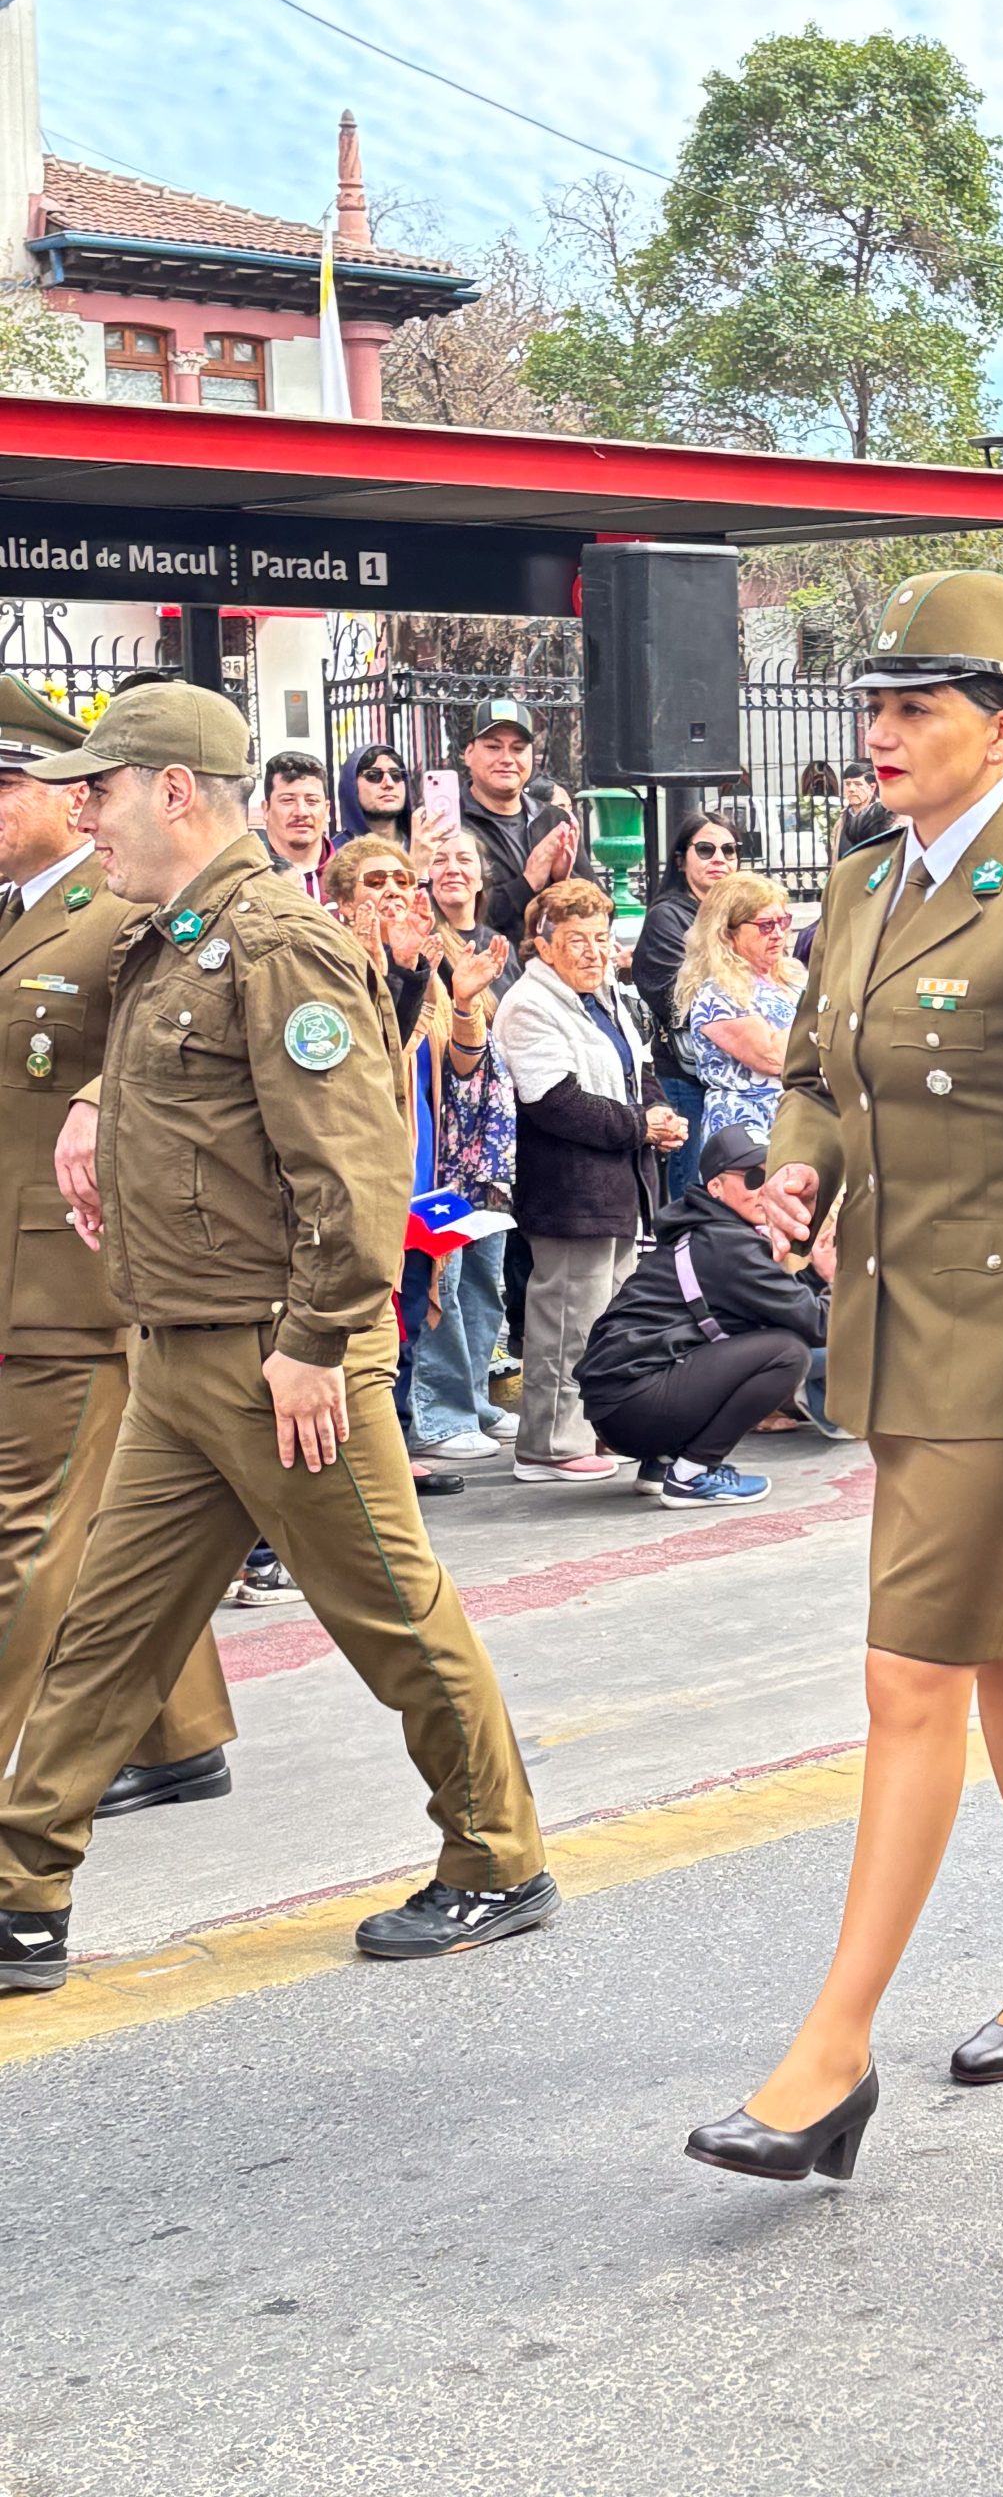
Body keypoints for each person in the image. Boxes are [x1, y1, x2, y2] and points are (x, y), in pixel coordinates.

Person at [684, 567, 1003, 2184]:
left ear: (1002, 728)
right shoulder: (867, 882)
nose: (881, 733)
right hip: (893, 1325)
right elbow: (820, 1073)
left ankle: (832, 2056)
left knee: (909, 1676)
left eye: (917, 708)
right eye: (874, 707)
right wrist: (797, 1165)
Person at [0, 682, 556, 1994]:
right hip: (177, 1350)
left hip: (279, 1357)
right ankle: (21, 1894)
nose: (89, 816)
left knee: (394, 1620)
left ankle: (495, 1857)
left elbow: (354, 1173)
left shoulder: (280, 943)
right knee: (106, 1640)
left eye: (102, 792)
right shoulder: (169, 940)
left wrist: (315, 1343)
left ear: (172, 791)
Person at [0, 676, 237, 1822]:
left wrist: (98, 1100)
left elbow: (177, 1056)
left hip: (72, 1281)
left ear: (67, 797)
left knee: (28, 1529)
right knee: (99, 1525)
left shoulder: (125, 914)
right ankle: (177, 1733)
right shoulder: (15, 914)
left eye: (6, 784)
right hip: (24, 1277)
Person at [323, 838, 513, 1464]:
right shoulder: (329, 960)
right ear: (343, 899)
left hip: (425, 1170)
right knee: (373, 1316)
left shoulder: (422, 965)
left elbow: (462, 1065)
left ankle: (403, 1442)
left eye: (403, 881)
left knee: (413, 1308)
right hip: (364, 1169)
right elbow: (371, 1054)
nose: (393, 892)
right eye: (375, 881)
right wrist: (395, 972)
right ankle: (381, 1449)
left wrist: (464, 1002)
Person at [492, 877, 682, 1482]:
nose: (595, 952)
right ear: (544, 945)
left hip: (619, 1188)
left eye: (602, 937)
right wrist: (641, 1126)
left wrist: (661, 1116)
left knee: (606, 1322)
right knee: (567, 1321)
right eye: (578, 939)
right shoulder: (529, 1004)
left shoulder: (607, 997)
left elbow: (639, 1070)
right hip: (568, 1191)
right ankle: (548, 1445)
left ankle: (599, 1429)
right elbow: (555, 1102)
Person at [577, 1123, 833, 1507]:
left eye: (774, 1177)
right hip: (635, 1406)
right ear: (715, 1187)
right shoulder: (729, 1244)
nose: (766, 1189)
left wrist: (815, 1276)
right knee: (788, 1353)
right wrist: (839, 1284)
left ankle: (662, 1464)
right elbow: (818, 1324)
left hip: (623, 1407)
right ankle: (693, 1474)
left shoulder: (709, 1231)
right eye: (753, 1177)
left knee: (765, 1343)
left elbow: (780, 1306)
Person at [631, 810, 739, 1198]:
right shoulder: (668, 917)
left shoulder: (741, 915)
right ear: (681, 860)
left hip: (737, 1077)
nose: (719, 859)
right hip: (687, 1078)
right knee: (693, 1193)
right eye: (706, 849)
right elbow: (677, 1000)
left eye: (729, 850)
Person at [677, 871, 807, 1150]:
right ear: (727, 932)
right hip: (748, 1134)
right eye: (765, 925)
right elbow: (773, 1058)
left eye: (783, 921)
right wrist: (820, 1014)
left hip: (800, 1124)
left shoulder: (792, 978)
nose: (779, 934)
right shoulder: (716, 992)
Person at [459, 697, 578, 938]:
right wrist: (528, 882)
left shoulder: (554, 821)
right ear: (469, 754)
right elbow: (453, 913)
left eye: (518, 749)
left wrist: (563, 883)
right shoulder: (448, 824)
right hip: (482, 959)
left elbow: (602, 911)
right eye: (493, 747)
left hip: (550, 960)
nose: (506, 759)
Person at [427, 826, 521, 998]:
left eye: (464, 860)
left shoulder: (499, 946)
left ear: (481, 879)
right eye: (439, 861)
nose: (453, 869)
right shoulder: (424, 944)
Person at [256, 750, 333, 901]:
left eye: (312, 801)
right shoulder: (246, 878)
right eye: (288, 800)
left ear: (327, 810)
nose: (301, 812)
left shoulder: (354, 875)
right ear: (266, 809)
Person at [334, 741, 415, 846]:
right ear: (351, 786)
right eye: (373, 776)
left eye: (396, 775)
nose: (389, 783)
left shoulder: (426, 845)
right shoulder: (334, 853)